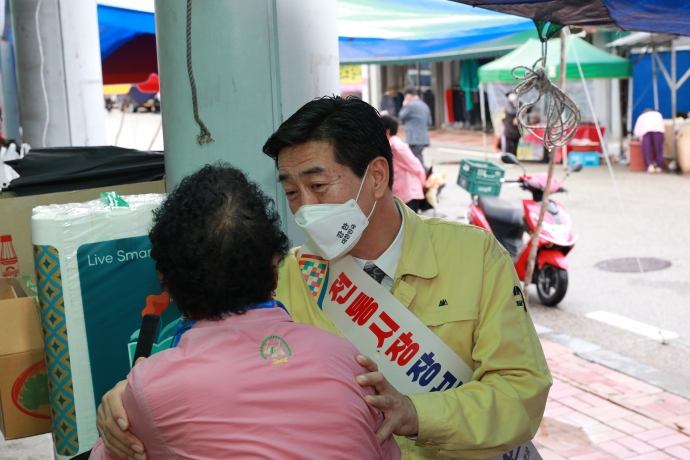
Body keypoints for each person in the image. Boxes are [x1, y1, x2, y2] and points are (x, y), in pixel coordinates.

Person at [98, 96, 551, 460]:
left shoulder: (474, 256)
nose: (303, 208)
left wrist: (418, 412)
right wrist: (121, 401)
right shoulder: (289, 275)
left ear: (376, 176)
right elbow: (205, 360)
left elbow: (521, 390)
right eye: (292, 192)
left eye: (318, 186)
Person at [90, 164, 400, 459]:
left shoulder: (150, 388)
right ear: (274, 268)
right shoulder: (348, 360)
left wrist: (127, 396)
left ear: (165, 280)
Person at [380, 115, 427, 213]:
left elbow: (417, 167)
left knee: (409, 227)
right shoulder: (389, 146)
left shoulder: (397, 147)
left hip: (409, 195)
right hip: (402, 195)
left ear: (387, 131)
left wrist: (424, 186)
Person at [398, 86, 432, 171]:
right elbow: (429, 122)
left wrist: (404, 105)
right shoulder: (424, 105)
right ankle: (428, 179)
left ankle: (434, 178)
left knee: (418, 164)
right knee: (416, 163)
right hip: (423, 138)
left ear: (408, 96)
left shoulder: (410, 105)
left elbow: (401, 116)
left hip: (414, 139)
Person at [634, 108, 665, 173]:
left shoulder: (642, 116)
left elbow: (637, 130)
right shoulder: (658, 114)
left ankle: (650, 166)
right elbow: (662, 125)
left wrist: (638, 137)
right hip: (658, 131)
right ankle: (659, 166)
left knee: (646, 149)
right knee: (658, 149)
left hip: (646, 132)